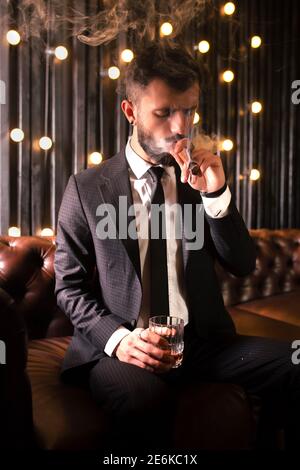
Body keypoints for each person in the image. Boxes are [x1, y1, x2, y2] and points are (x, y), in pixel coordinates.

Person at [54, 41, 300, 450]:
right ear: (130, 112)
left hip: (203, 344)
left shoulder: (198, 178)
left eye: (189, 110)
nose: (180, 126)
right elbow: (68, 287)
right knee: (143, 400)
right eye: (164, 112)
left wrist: (216, 194)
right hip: (125, 347)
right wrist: (119, 340)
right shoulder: (86, 188)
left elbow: (242, 263)